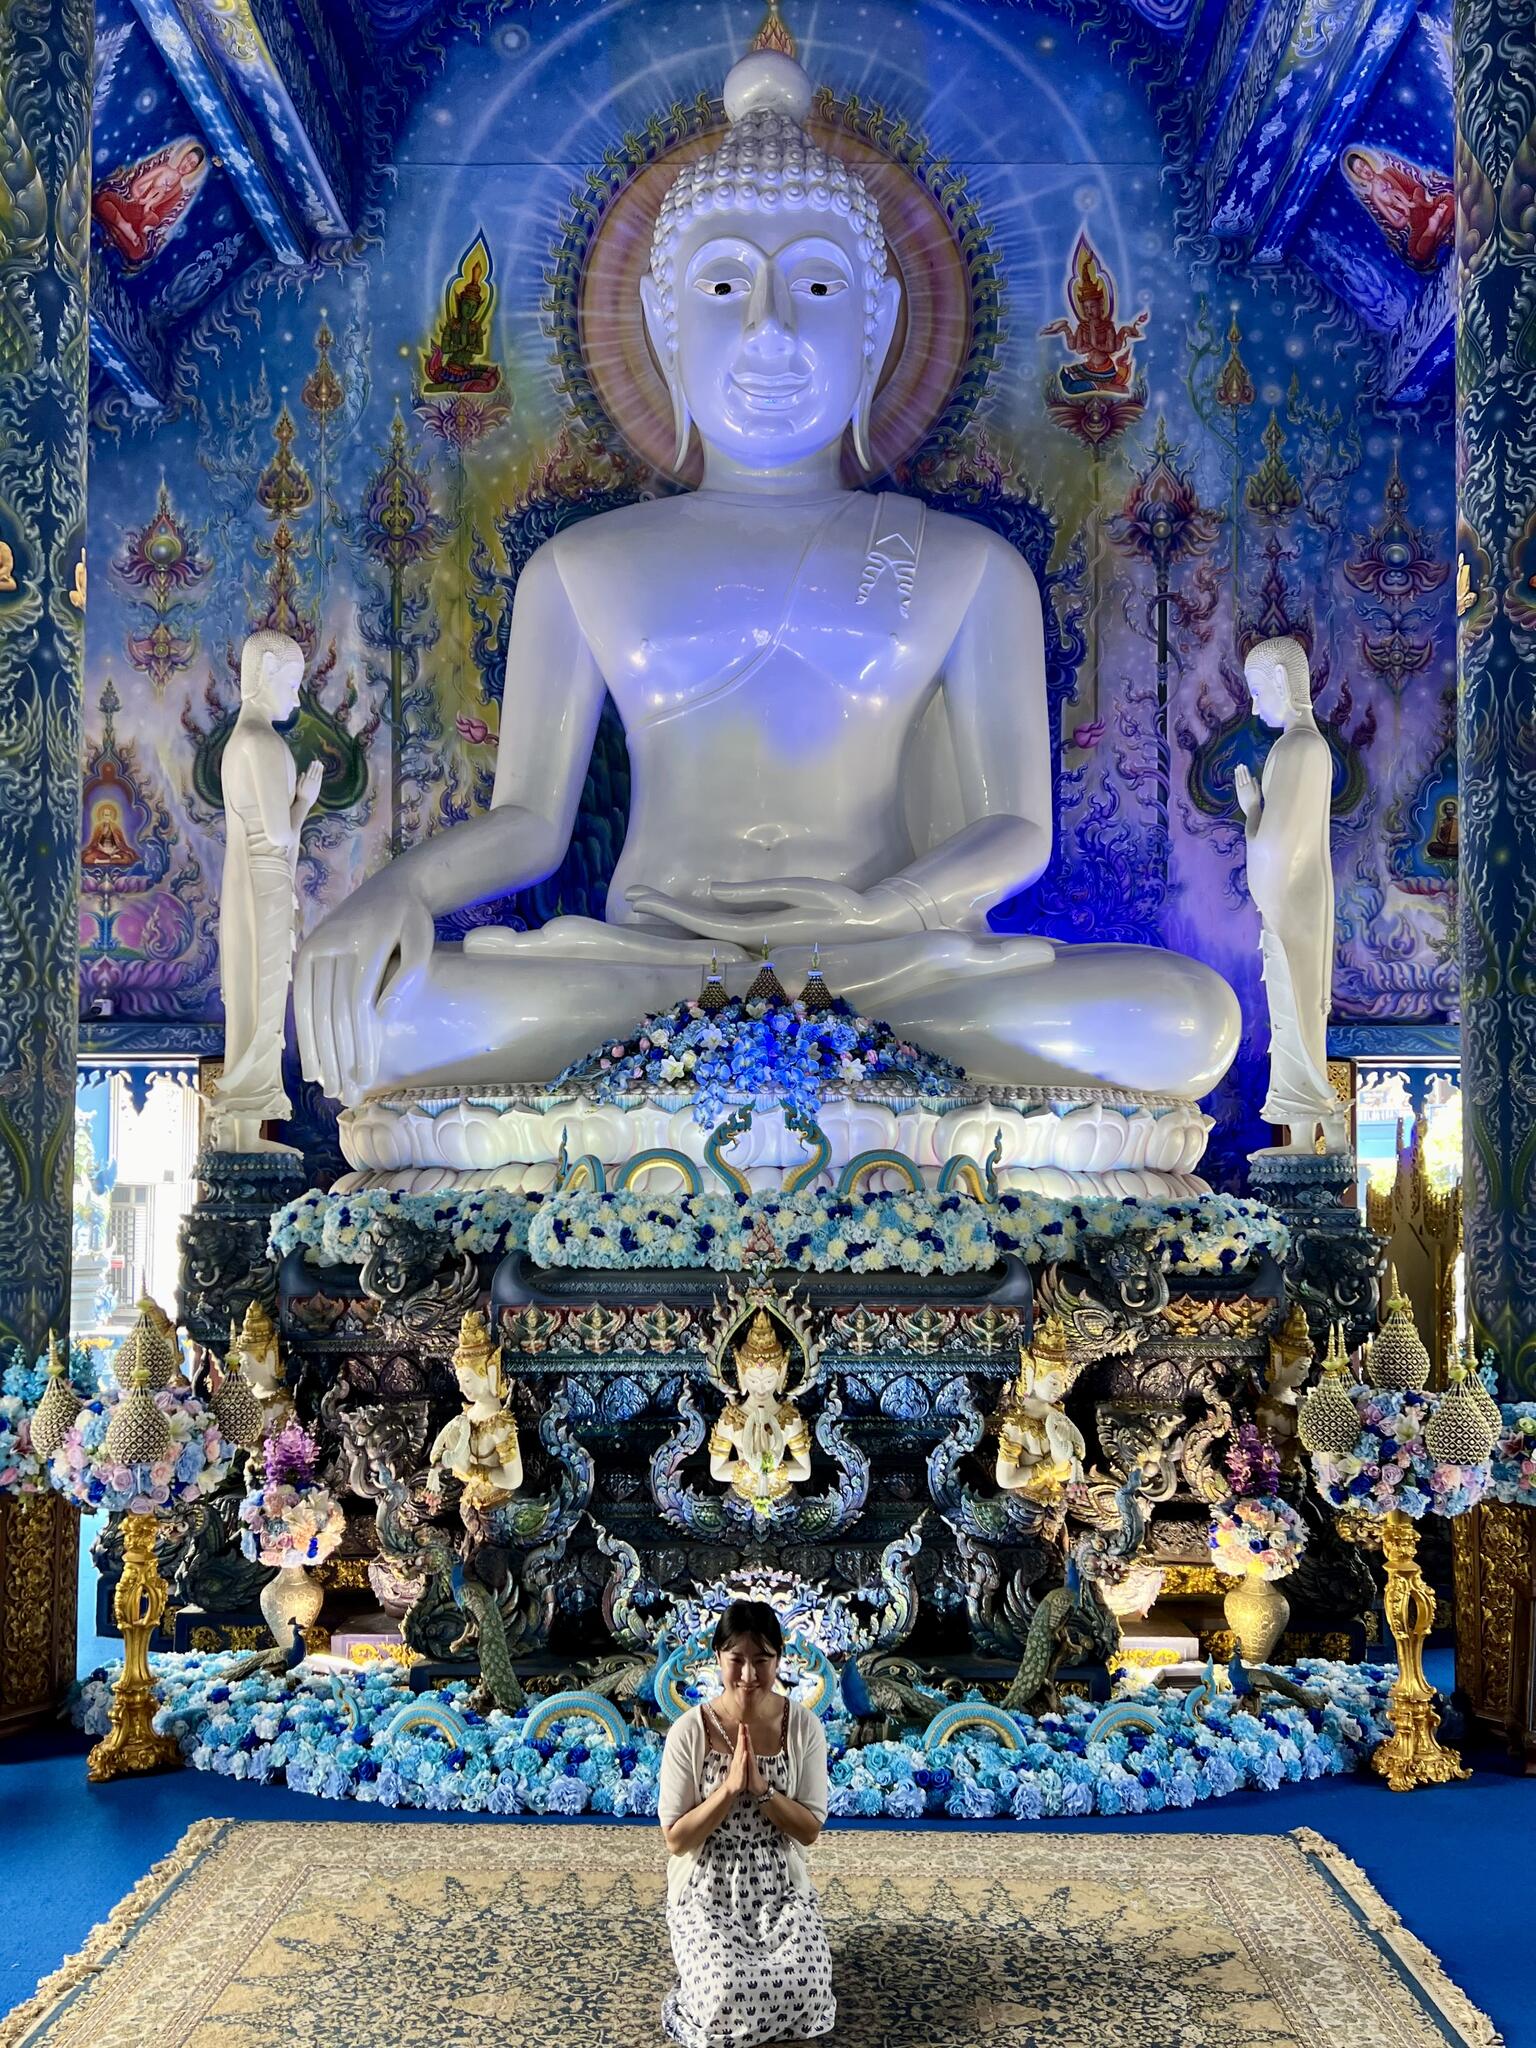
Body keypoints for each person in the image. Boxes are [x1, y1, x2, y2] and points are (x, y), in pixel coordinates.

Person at [658, 1600, 833, 2046]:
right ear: (718, 1656)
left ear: (780, 1658)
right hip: (707, 1884)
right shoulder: (689, 1731)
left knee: (809, 1989)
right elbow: (676, 1839)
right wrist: (729, 1790)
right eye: (737, 1659)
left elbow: (809, 1830)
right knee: (726, 1993)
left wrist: (763, 1791)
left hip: (778, 1882)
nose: (749, 1675)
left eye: (763, 1660)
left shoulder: (803, 1726)